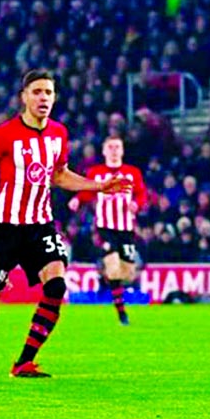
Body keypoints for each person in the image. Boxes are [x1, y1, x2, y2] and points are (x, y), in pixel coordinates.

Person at [0, 69, 130, 378]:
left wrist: (97, 186)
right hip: (4, 228)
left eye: (48, 92)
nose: (43, 98)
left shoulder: (59, 134)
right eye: (37, 92)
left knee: (57, 285)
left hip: (40, 226)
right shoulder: (4, 134)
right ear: (24, 97)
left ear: (55, 98)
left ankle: (23, 362)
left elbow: (59, 175)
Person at [67, 135, 148, 325]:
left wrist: (137, 204)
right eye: (110, 147)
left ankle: (106, 283)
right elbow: (88, 190)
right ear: (103, 151)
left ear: (122, 151)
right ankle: (122, 313)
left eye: (117, 147)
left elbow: (142, 193)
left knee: (127, 272)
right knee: (112, 266)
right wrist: (78, 199)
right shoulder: (96, 173)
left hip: (126, 229)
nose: (113, 150)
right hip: (104, 228)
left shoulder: (132, 173)